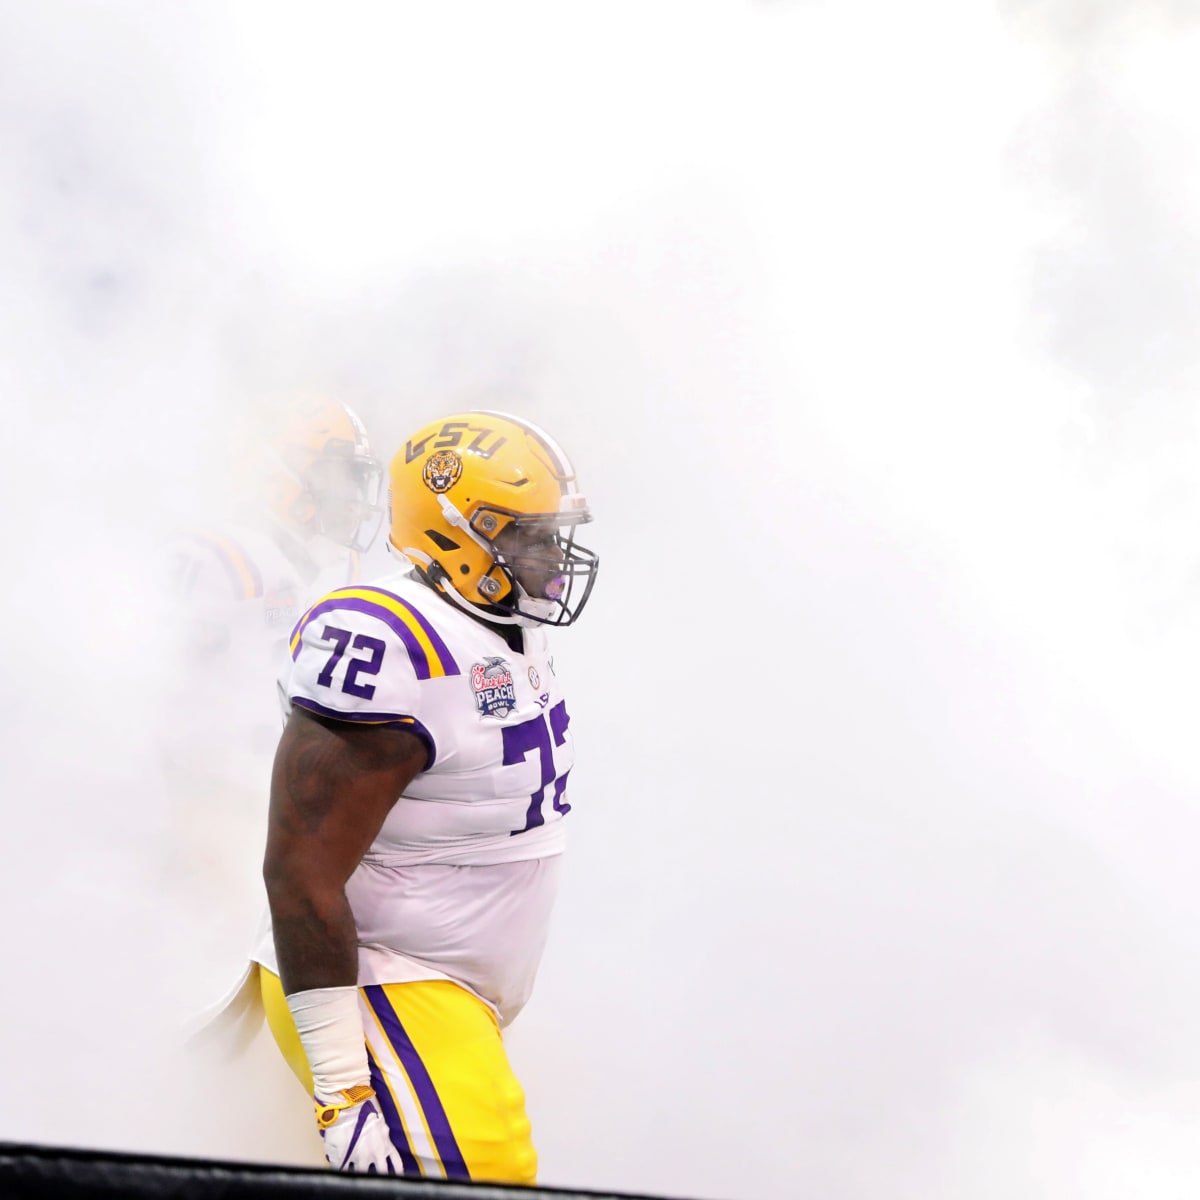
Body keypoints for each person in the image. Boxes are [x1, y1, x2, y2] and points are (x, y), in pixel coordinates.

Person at [250, 410, 599, 1181]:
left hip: (446, 989)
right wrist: (343, 1090)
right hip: (380, 975)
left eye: (555, 533)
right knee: (489, 1173)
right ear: (451, 531)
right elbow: (299, 872)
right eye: (529, 536)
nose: (554, 558)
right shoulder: (393, 641)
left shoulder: (500, 621)